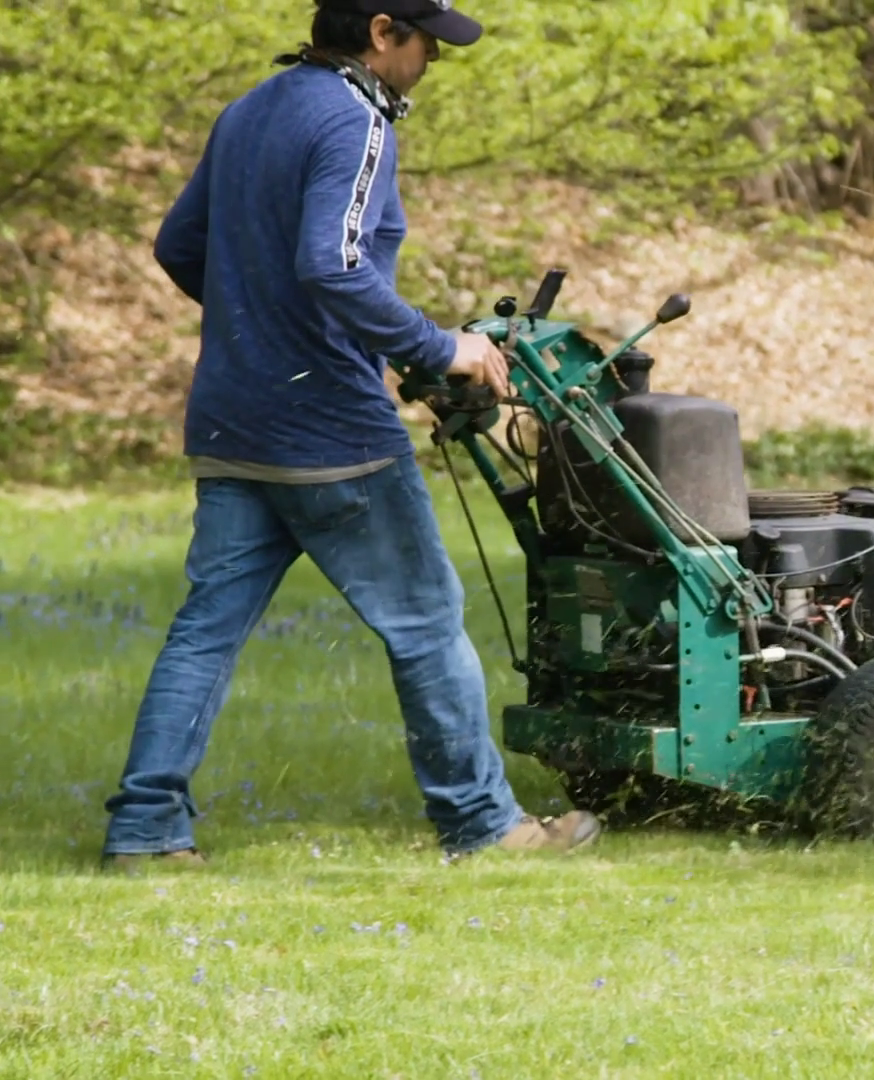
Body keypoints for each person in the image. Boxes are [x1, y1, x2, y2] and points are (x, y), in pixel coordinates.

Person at [101, 0, 600, 870]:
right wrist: (439, 347)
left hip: (231, 418)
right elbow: (333, 262)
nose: (429, 66)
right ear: (380, 32)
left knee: (205, 631)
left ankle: (145, 830)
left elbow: (180, 246)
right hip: (329, 431)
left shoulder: (250, 109)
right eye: (425, 46)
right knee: (427, 620)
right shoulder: (355, 118)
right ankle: (484, 824)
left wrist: (259, 330)